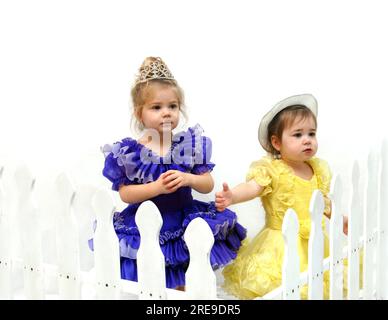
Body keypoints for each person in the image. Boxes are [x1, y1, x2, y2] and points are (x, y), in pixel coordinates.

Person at [90, 57, 246, 290]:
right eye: (157, 107)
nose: (167, 113)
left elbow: (207, 184)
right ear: (139, 113)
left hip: (183, 219)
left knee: (184, 274)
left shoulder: (188, 146)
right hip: (147, 222)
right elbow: (126, 194)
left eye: (172, 106)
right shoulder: (131, 152)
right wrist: (156, 188)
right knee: (152, 274)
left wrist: (189, 178)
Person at [216, 94, 346, 299]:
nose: (307, 140)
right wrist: (233, 196)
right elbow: (253, 187)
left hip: (315, 243)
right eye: (297, 135)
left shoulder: (317, 170)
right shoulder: (272, 170)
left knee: (316, 287)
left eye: (311, 134)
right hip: (280, 245)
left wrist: (339, 218)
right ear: (277, 143)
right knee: (282, 287)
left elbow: (322, 203)